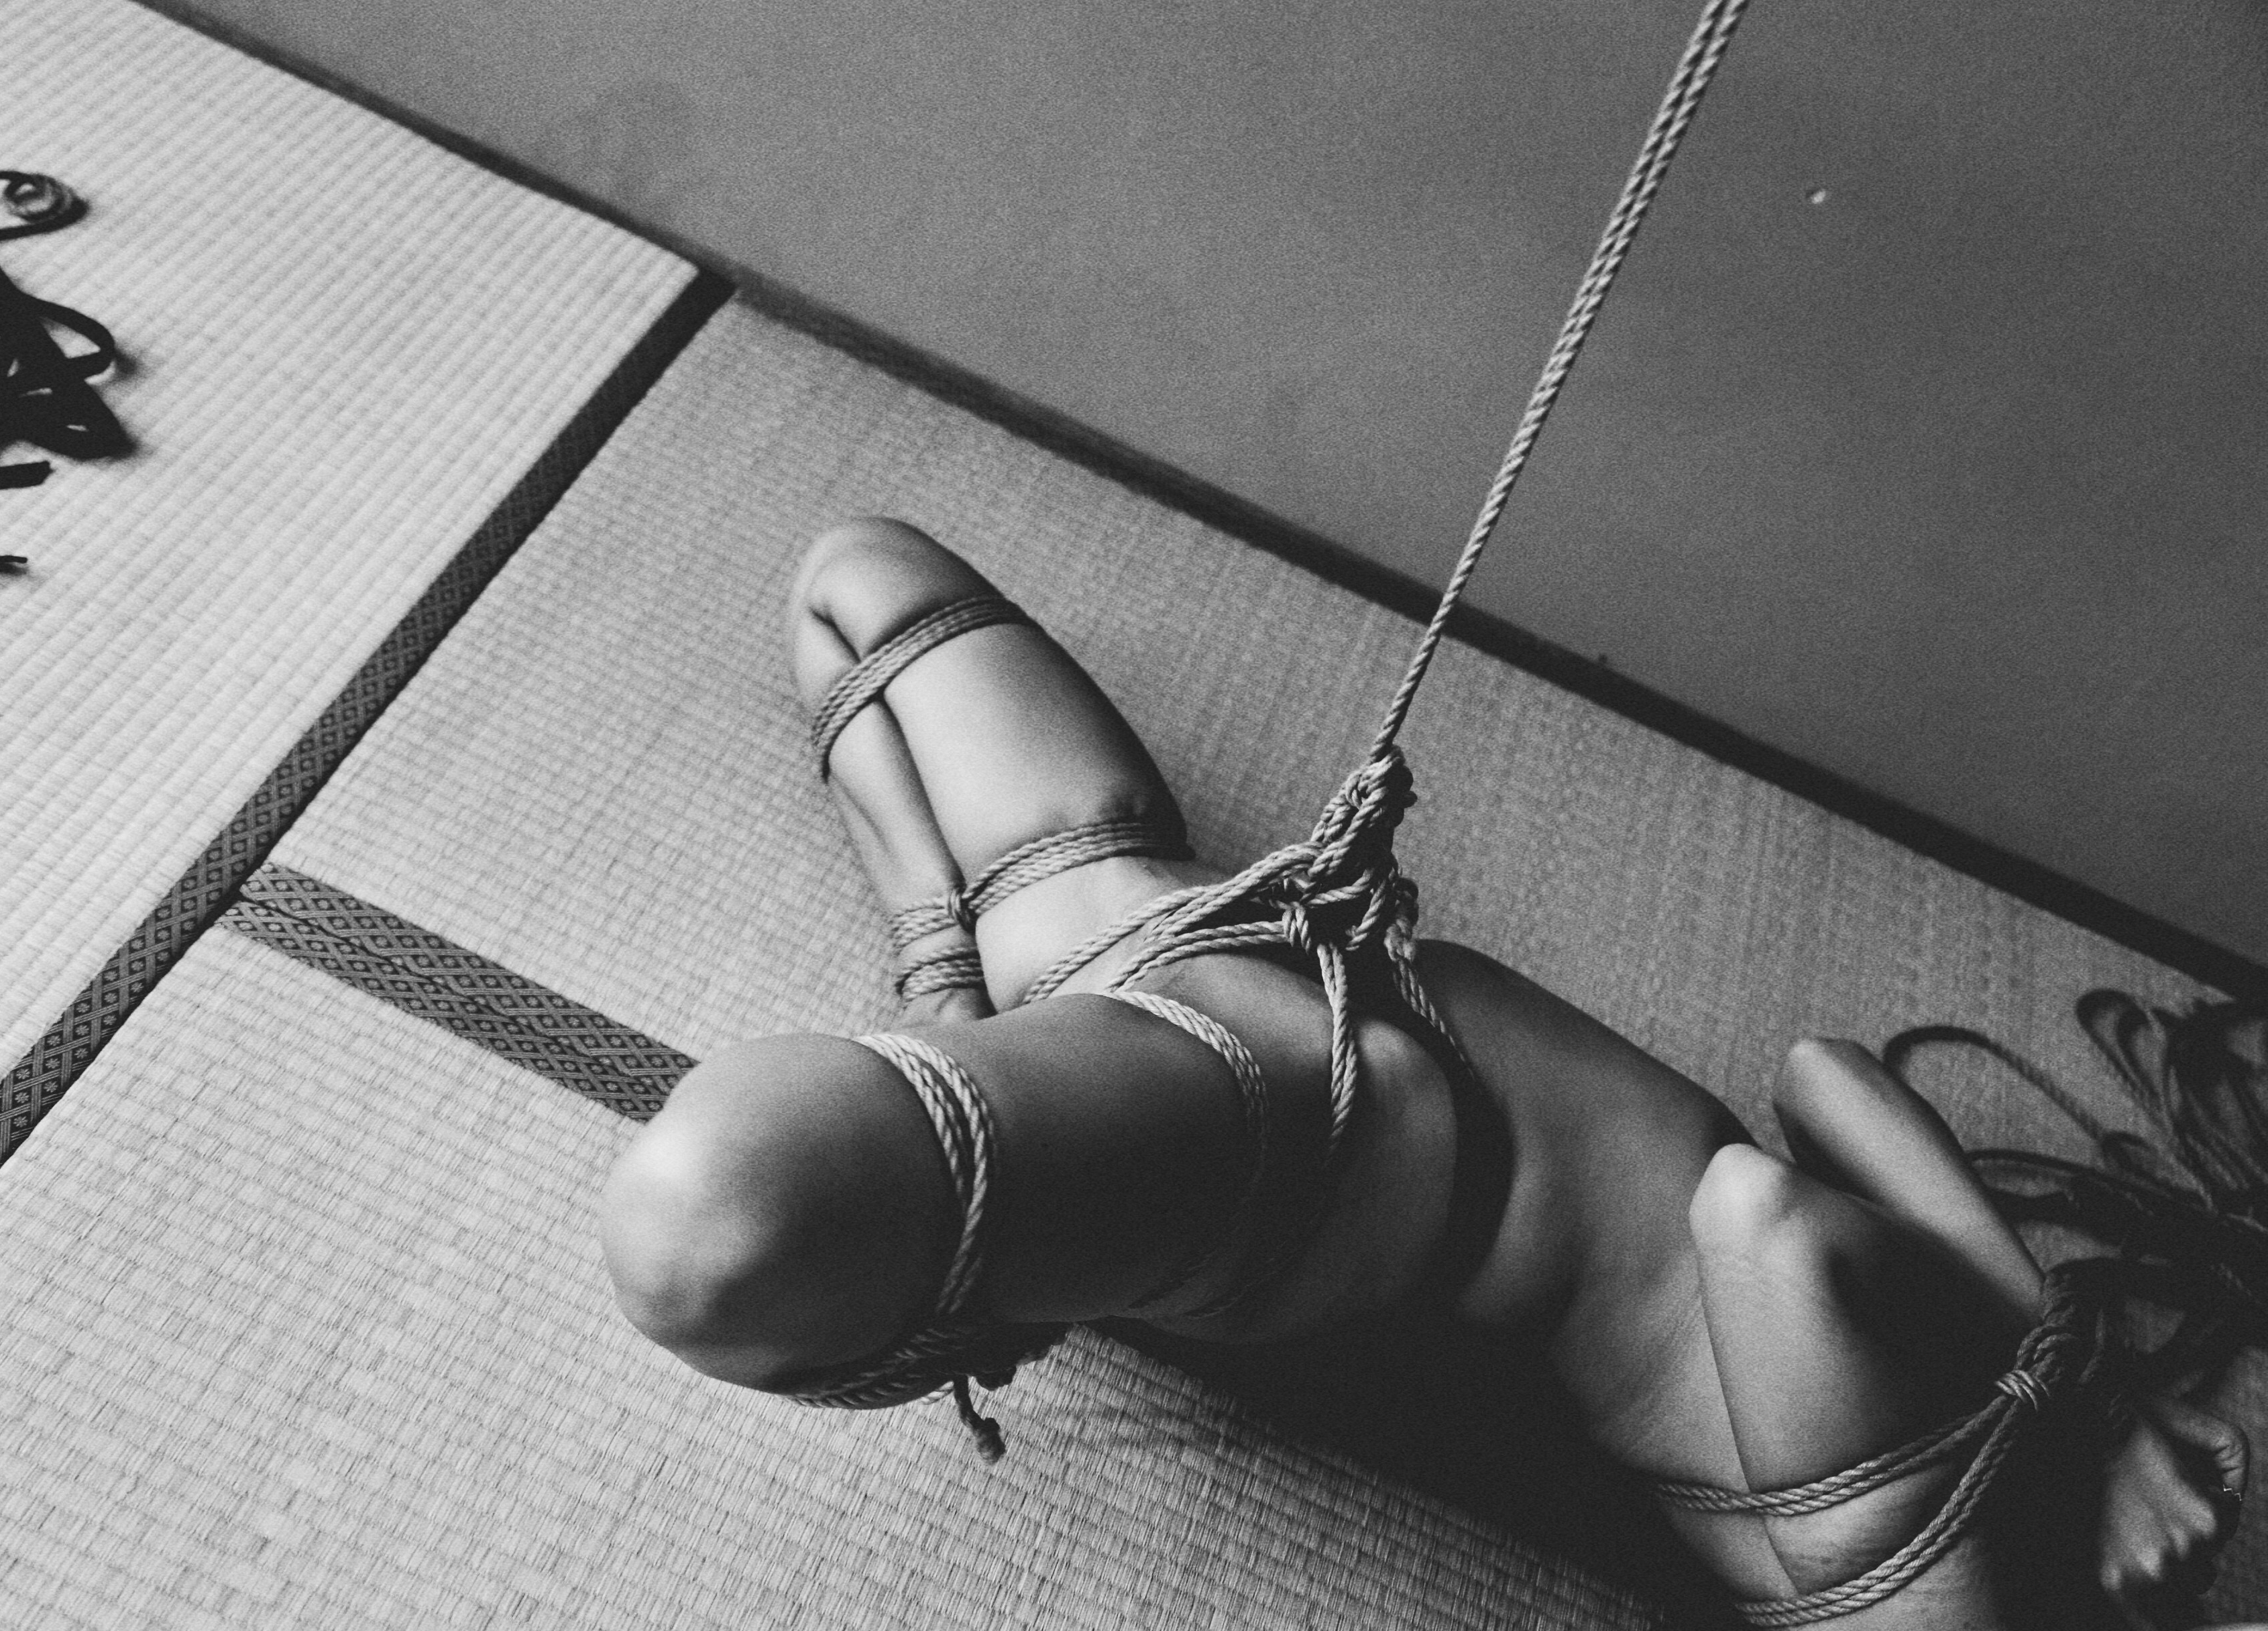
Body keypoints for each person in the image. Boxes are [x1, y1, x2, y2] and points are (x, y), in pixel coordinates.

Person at [600, 517, 2247, 1628]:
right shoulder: (1979, 1465)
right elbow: (1825, 1089)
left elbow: (1769, 1214)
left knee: (723, 1230)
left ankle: (945, 1150)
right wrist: (2076, 1415)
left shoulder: (1921, 1575)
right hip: (1217, 990)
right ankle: (951, 1093)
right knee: (855, 571)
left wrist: (2075, 1413)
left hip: (1334, 1171)